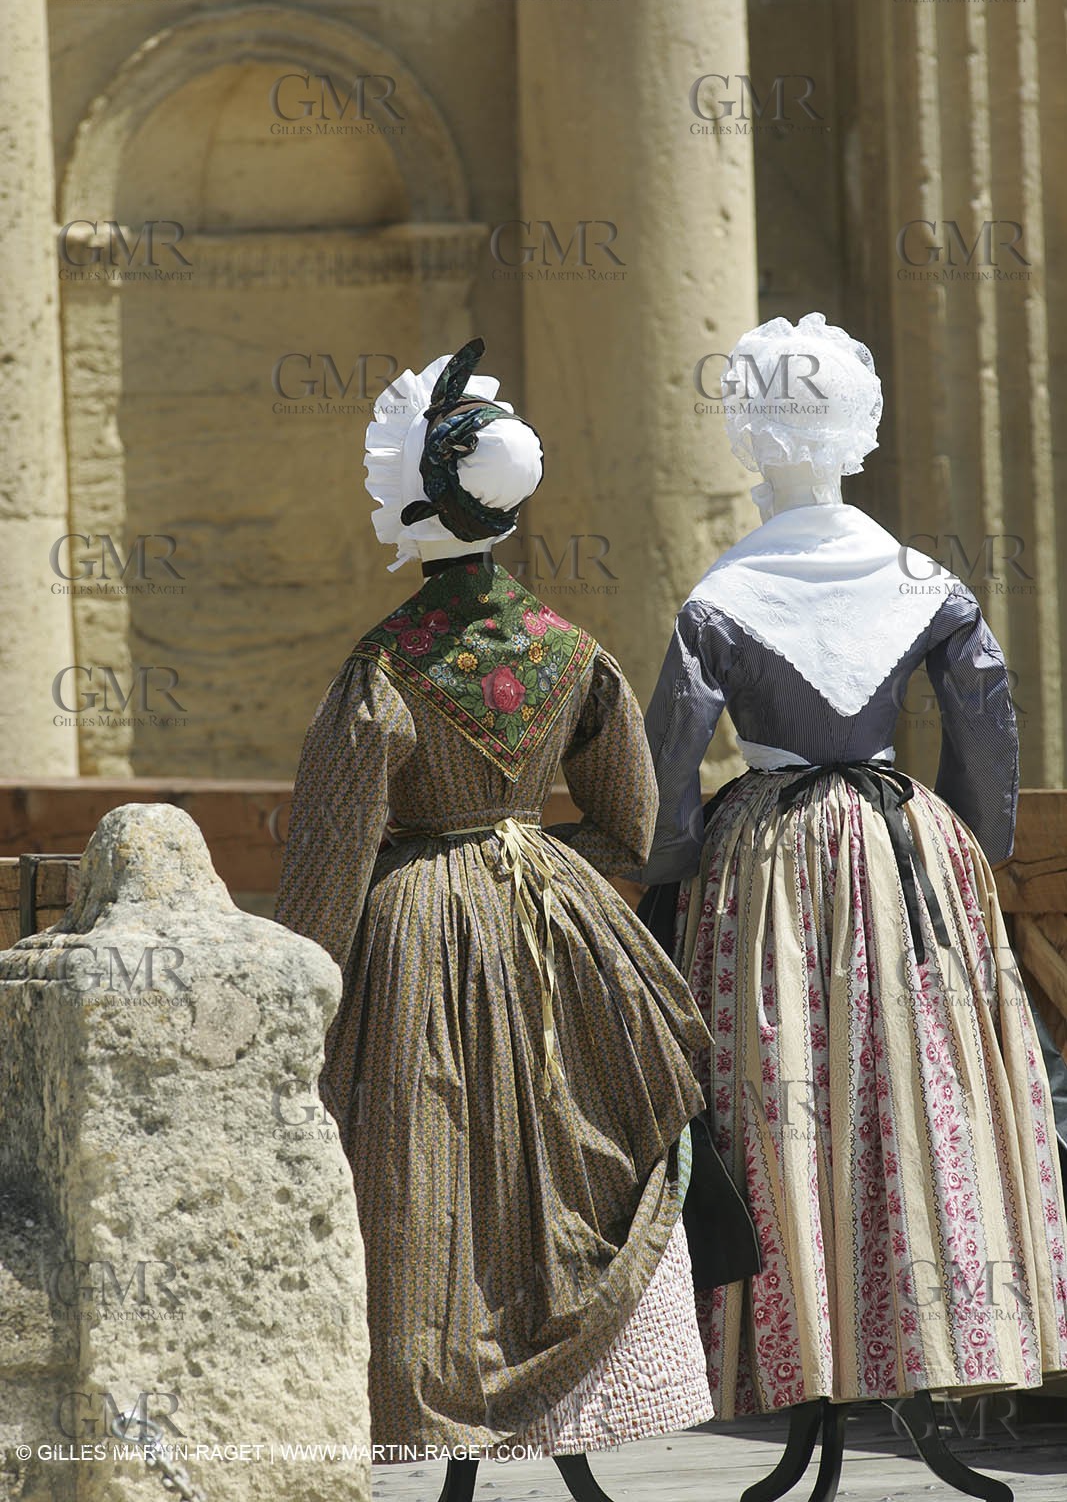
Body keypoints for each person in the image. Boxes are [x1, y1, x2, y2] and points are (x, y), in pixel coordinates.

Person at [274, 339, 717, 1488]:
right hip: (554, 917)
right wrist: (535, 857)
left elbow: (328, 861)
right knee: (566, 1150)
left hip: (415, 933)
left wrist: (293, 1003)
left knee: (433, 1161)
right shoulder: (576, 652)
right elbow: (631, 823)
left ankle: (454, 1404)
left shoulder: (380, 669)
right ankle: (575, 1409)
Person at [640, 312, 1067, 1419]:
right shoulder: (923, 578)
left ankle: (806, 1357)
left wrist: (668, 885)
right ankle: (931, 1326)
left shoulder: (718, 597)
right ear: (857, 429)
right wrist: (969, 851)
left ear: (748, 437)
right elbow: (982, 716)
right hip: (901, 855)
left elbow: (669, 766)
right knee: (913, 1081)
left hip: (768, 869)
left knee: (784, 1091)